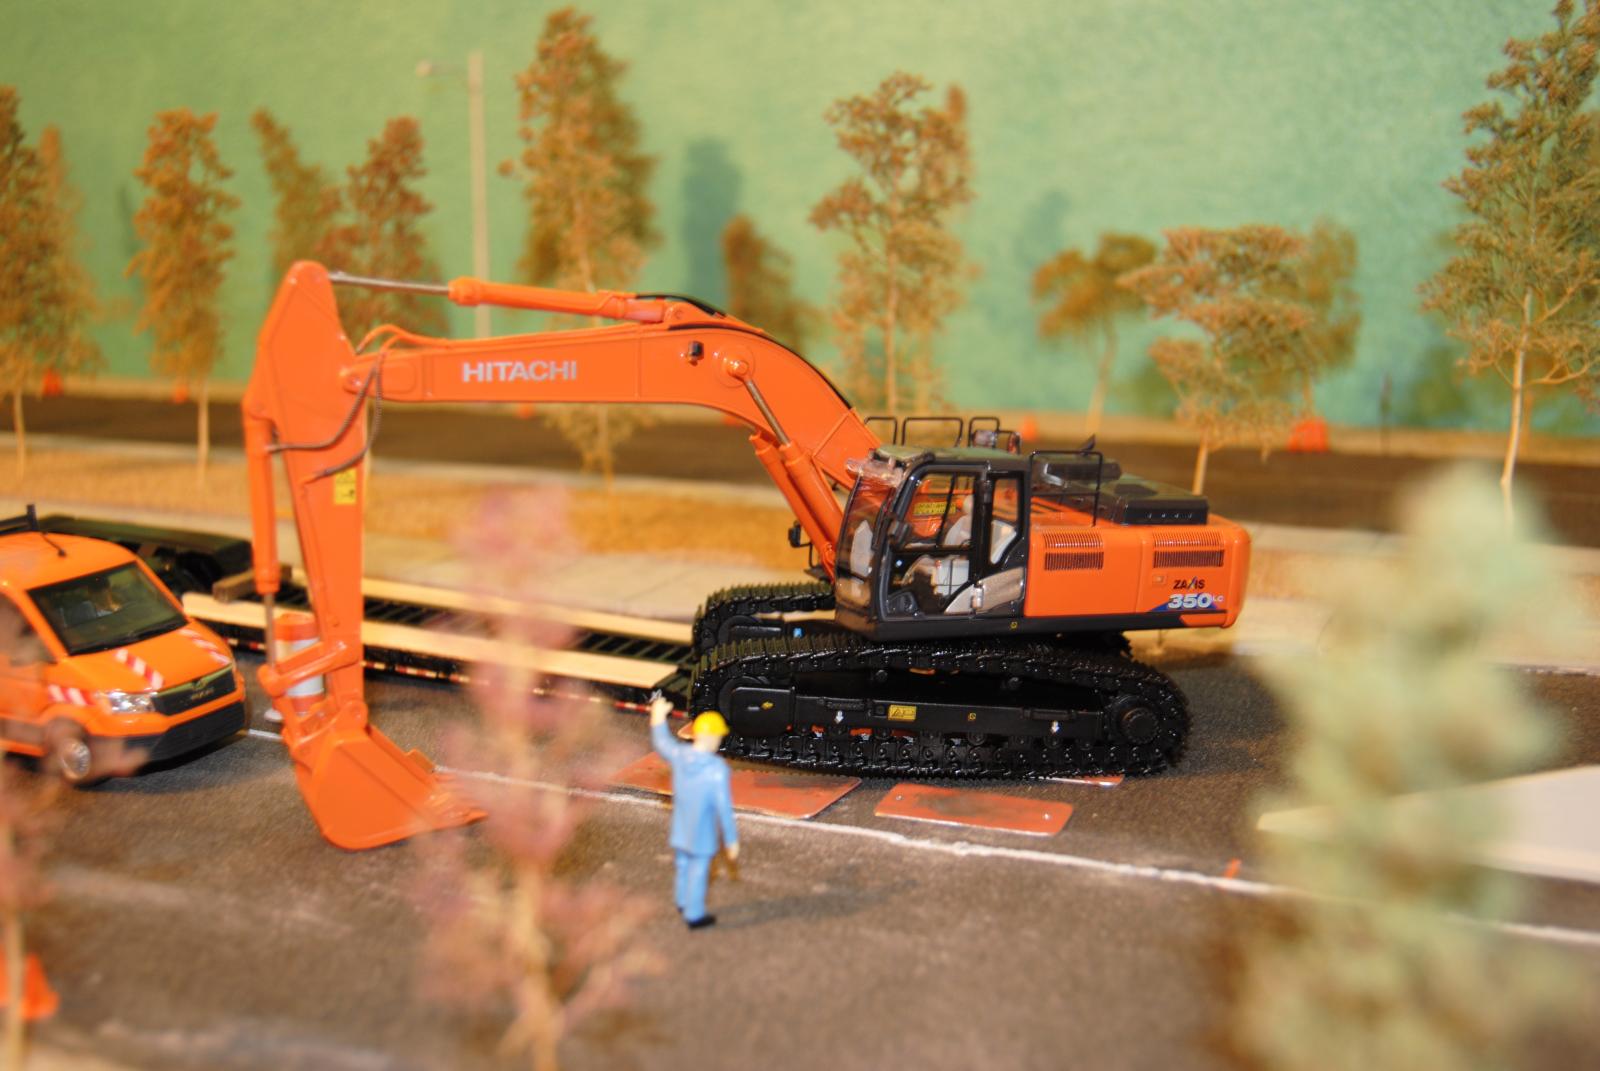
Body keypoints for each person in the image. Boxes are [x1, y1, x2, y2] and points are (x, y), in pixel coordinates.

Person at [649, 694, 740, 929]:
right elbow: (723, 809)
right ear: (711, 737)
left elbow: (663, 743)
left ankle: (681, 900)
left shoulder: (680, 756)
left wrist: (657, 717)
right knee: (698, 871)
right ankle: (694, 913)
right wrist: (730, 839)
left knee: (682, 865)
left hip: (681, 828)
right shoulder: (717, 770)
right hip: (702, 834)